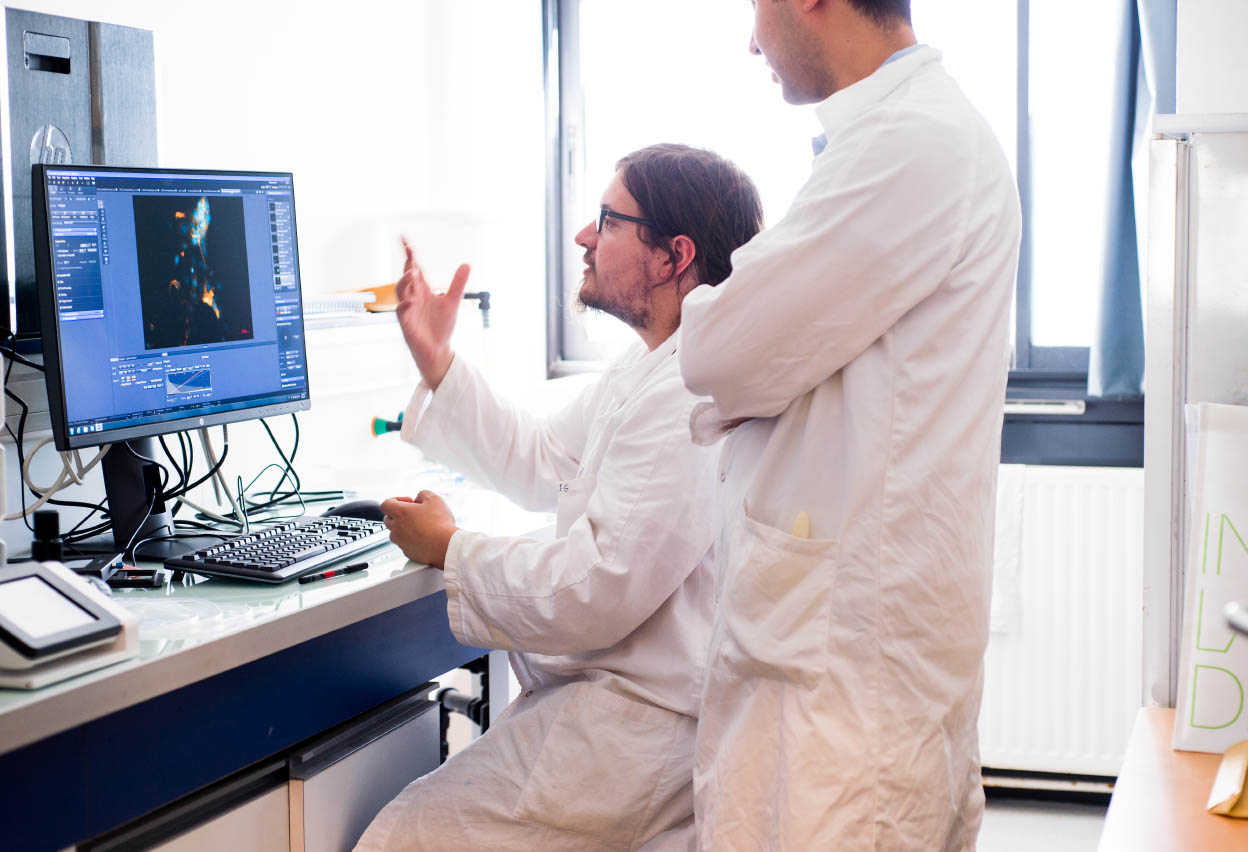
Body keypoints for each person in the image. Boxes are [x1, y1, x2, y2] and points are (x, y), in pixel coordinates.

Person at [677, 2, 1021, 850]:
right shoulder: (899, 138)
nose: (751, 41)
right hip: (843, 657)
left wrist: (738, 340)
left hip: (846, 681)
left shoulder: (914, 142)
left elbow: (718, 350)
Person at [355, 144, 764, 852]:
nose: (582, 236)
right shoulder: (650, 365)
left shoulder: (687, 388)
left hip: (635, 732)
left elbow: (596, 584)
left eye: (607, 221)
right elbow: (545, 457)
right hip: (609, 710)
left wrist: (452, 548)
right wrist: (437, 360)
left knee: (404, 839)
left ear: (673, 256)